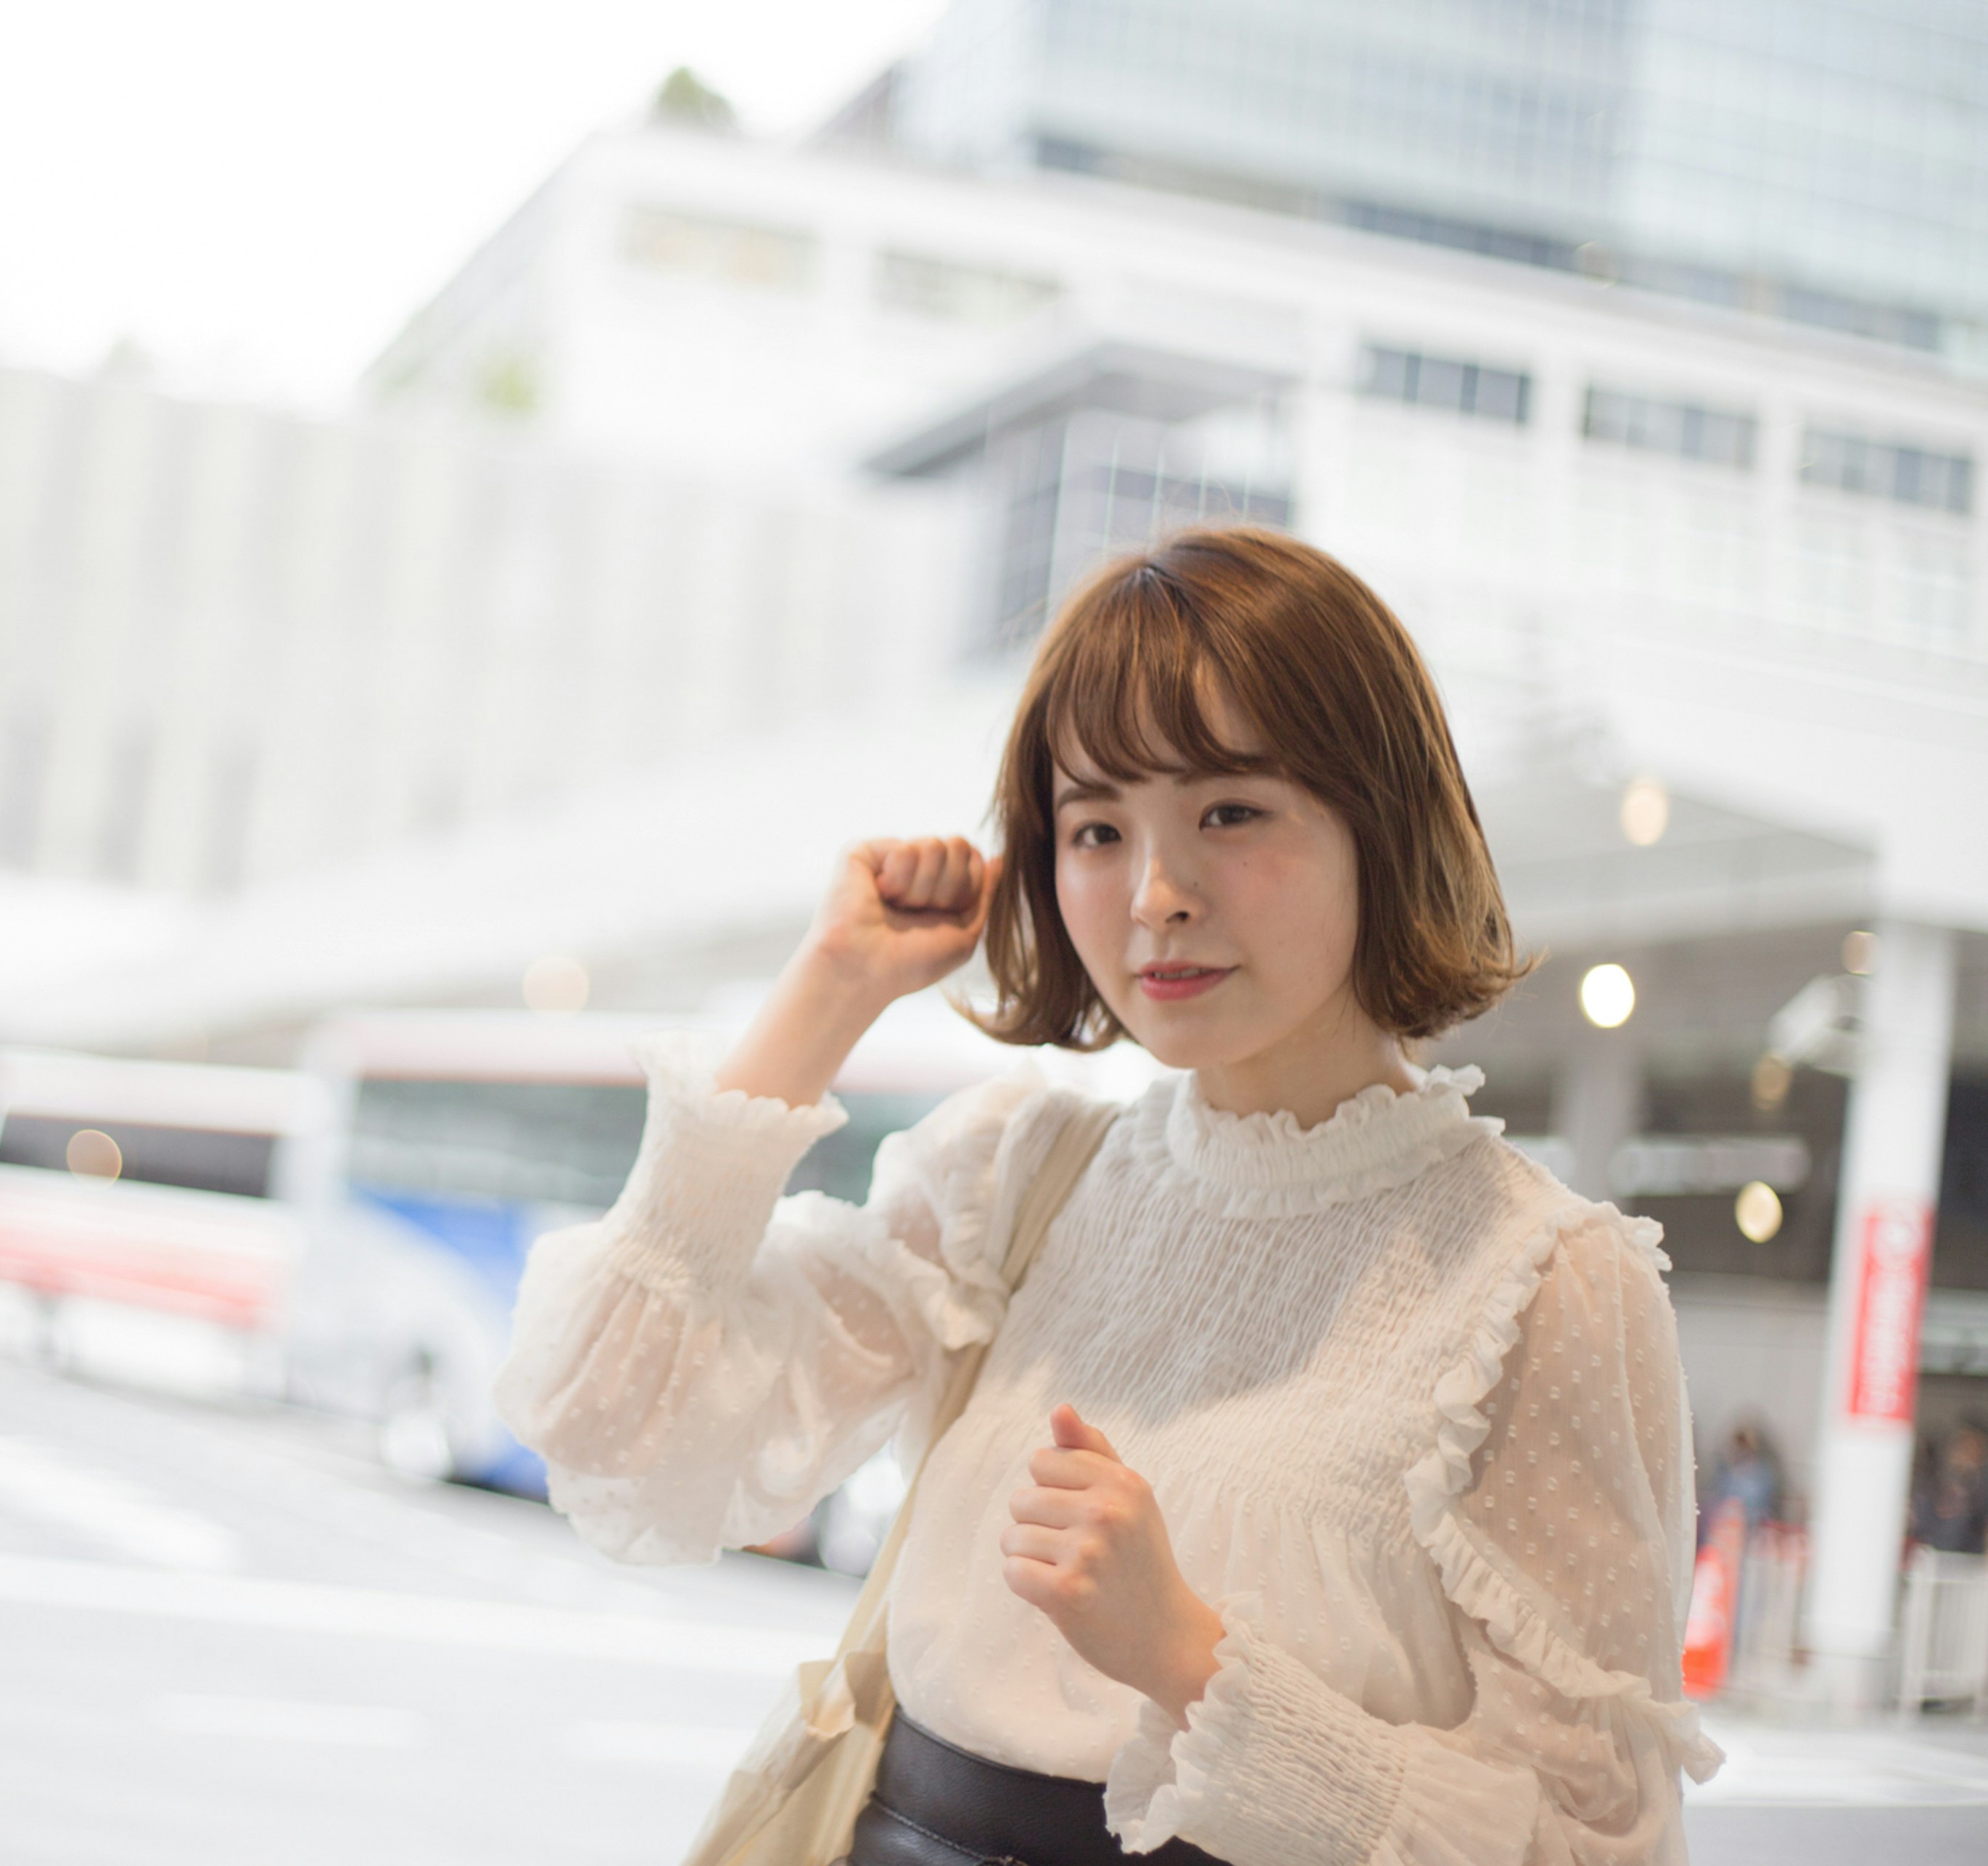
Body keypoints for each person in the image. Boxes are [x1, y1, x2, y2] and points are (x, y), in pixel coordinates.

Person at [497, 529, 1717, 1866]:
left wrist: (1191, 1659)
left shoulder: (1542, 1279)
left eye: (1231, 810)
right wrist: (827, 992)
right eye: (1095, 826)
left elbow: (1591, 1840)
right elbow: (616, 1425)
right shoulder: (1016, 1172)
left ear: (1383, 816)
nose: (1157, 894)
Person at [1913, 1420, 1988, 1555]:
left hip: (1969, 1558)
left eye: (1973, 1450)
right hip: (1931, 1555)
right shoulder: (1933, 1483)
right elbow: (1920, 1522)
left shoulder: (1981, 1488)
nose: (1965, 1456)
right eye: (1962, 1448)